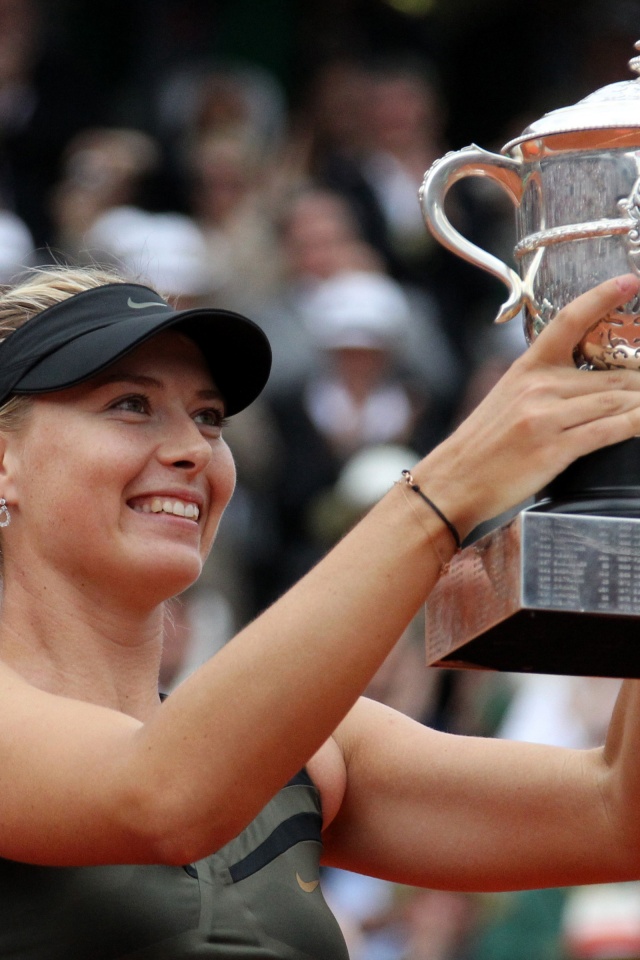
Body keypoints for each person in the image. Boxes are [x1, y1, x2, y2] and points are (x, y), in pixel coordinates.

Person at [1, 265, 640, 960]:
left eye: (209, 417)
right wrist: (446, 489)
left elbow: (617, 817)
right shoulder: (230, 760)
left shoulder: (315, 749)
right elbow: (163, 795)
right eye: (130, 404)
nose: (193, 449)